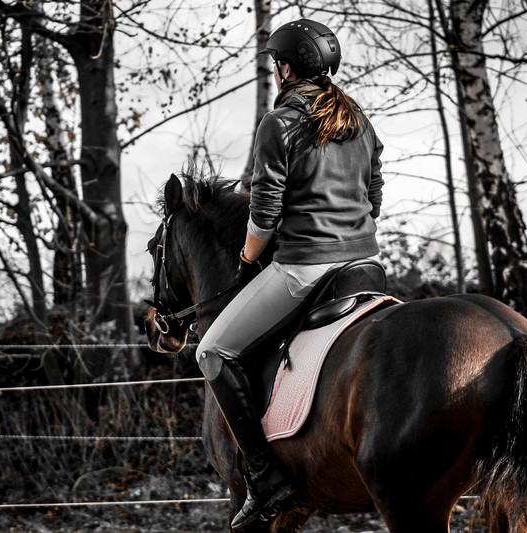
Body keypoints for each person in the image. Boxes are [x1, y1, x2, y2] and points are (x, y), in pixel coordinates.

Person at [195, 18, 384, 531]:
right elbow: (374, 197)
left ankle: (265, 479)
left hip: (304, 266)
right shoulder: (359, 122)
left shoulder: (278, 124)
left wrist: (249, 258)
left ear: (284, 69)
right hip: (366, 267)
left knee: (212, 350)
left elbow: (264, 210)